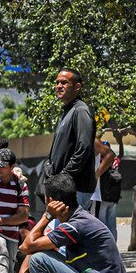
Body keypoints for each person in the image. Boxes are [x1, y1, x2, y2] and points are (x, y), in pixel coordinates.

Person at [48, 68, 96, 209]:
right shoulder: (67, 111)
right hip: (63, 188)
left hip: (76, 189)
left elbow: (84, 148)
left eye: (64, 82)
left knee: (70, 230)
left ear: (77, 87)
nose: (58, 86)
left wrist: (63, 176)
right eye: (57, 82)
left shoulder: (80, 111)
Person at [96, 136, 124, 239]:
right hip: (114, 197)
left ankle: (105, 244)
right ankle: (114, 244)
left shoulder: (102, 162)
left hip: (103, 197)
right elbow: (121, 154)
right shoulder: (115, 162)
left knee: (102, 222)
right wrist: (120, 141)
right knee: (112, 223)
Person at [89, 137, 117, 234]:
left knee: (98, 223)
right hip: (110, 198)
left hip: (96, 196)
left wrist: (96, 175)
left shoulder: (102, 164)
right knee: (110, 222)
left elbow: (111, 155)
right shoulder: (115, 165)